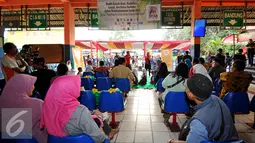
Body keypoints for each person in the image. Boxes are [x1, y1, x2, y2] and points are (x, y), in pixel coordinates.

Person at [40, 76, 118, 143]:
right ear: (69, 90)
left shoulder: (46, 107)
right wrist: (105, 138)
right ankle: (109, 132)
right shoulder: (80, 110)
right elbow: (98, 138)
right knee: (98, 120)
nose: (79, 88)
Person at [169, 74, 239, 143]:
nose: (186, 89)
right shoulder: (217, 99)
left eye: (187, 88)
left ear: (191, 95)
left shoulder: (198, 122)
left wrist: (174, 142)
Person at [0, 74, 47, 143]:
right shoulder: (37, 104)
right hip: (36, 139)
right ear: (22, 86)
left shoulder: (3, 102)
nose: (33, 87)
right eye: (31, 84)